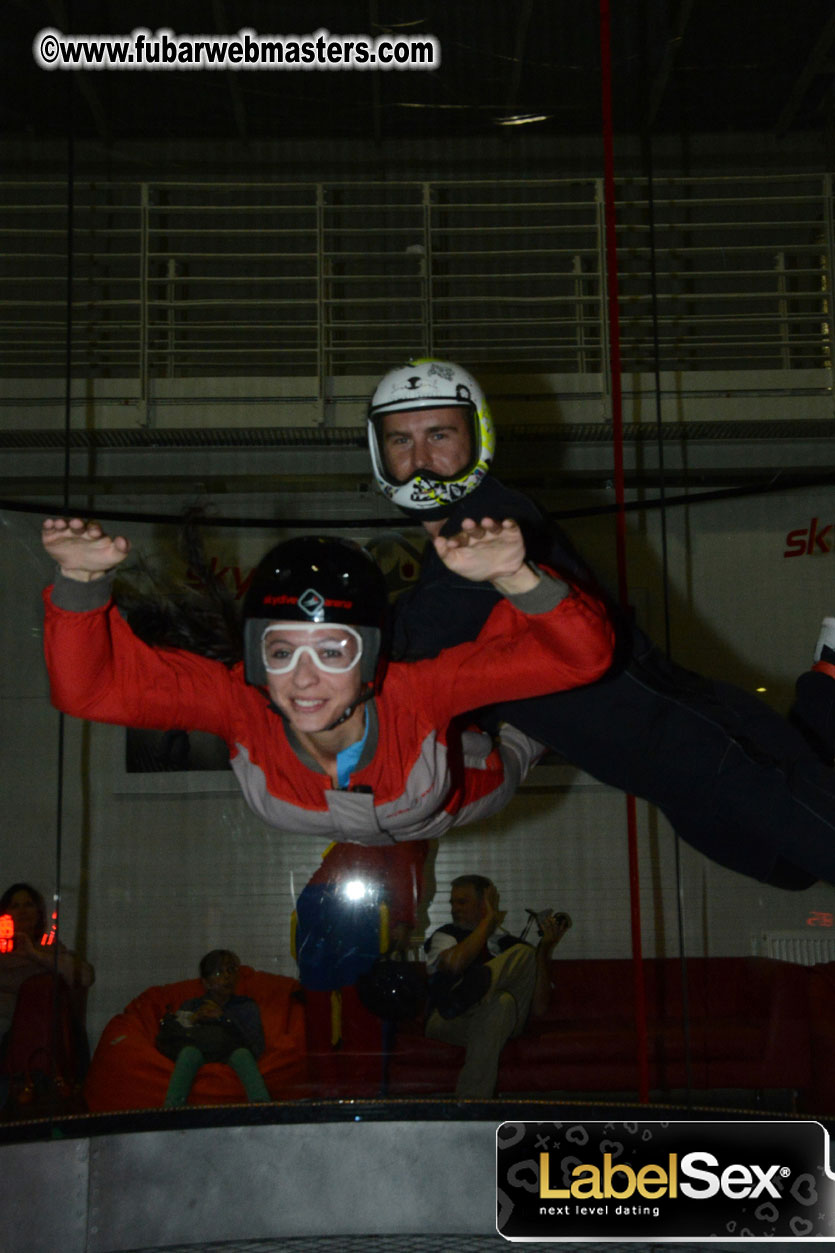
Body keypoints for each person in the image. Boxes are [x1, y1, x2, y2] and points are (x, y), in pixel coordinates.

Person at [367, 357, 835, 890]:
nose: (422, 458)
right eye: (401, 441)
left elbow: (411, 643)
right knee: (789, 866)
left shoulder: (491, 526)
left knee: (811, 841)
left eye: (439, 435)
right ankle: (828, 682)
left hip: (684, 739)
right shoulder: (447, 552)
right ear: (379, 451)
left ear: (477, 436)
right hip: (651, 759)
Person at [40, 519, 614, 845]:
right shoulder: (240, 701)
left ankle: (529, 736)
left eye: (333, 651)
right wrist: (80, 581)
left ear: (368, 659)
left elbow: (582, 660)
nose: (304, 680)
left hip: (460, 790)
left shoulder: (418, 691)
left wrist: (516, 576)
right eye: (283, 651)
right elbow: (89, 690)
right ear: (257, 657)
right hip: (398, 808)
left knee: (521, 739)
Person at [424, 874, 570, 1098]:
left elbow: (538, 1008)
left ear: (485, 903)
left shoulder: (511, 946)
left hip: (503, 1018)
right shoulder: (446, 936)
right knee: (499, 1006)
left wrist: (544, 950)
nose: (454, 908)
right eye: (452, 902)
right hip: (448, 1018)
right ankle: (473, 1105)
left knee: (523, 958)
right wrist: (487, 921)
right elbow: (453, 964)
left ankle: (478, 986)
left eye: (462, 902)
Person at [0, 882, 94, 1111]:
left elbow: (84, 976)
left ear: (39, 912)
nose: (22, 911)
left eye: (28, 905)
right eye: (15, 906)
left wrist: (35, 955)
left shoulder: (49, 949)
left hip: (41, 1036)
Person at [159, 950, 270, 1108]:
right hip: (199, 1050)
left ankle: (262, 1108)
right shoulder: (192, 1006)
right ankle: (172, 1110)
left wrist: (224, 1018)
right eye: (218, 972)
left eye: (231, 970)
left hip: (232, 1051)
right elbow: (171, 1042)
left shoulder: (246, 1006)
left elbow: (256, 1046)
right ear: (206, 983)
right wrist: (192, 1020)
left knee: (243, 1054)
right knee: (188, 1054)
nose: (227, 977)